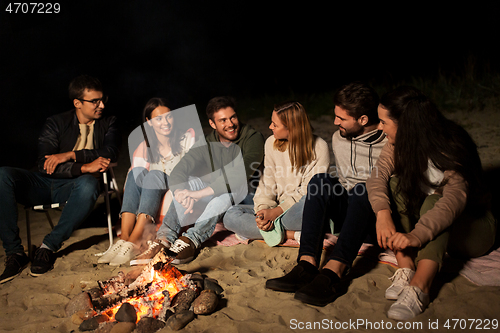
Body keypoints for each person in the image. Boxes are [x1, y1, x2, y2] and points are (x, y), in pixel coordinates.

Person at [367, 86, 497, 320]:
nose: (379, 127)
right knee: (393, 185)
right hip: (429, 226)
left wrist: (418, 235)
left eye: (383, 122)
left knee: (435, 201)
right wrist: (383, 213)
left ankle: (420, 287)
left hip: (473, 230)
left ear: (406, 125)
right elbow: (377, 176)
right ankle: (405, 266)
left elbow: (453, 201)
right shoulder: (398, 144)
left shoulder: (451, 145)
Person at [264, 82, 386, 306]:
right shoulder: (340, 139)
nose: (335, 122)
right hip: (348, 213)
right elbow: (342, 183)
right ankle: (307, 265)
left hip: (375, 218)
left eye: (341, 118)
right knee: (321, 181)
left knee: (363, 189)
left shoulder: (390, 140)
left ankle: (334, 271)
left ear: (363, 120)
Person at [0, 75, 120, 282]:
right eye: (94, 101)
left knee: (89, 183)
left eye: (102, 100)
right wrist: (84, 166)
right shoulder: (56, 123)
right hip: (44, 183)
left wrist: (72, 155)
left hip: (78, 185)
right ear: (77, 103)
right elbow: (44, 165)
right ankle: (15, 254)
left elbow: (110, 151)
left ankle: (48, 247)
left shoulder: (108, 122)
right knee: (3, 174)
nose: (101, 105)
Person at [153, 96, 265, 264]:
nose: (230, 124)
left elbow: (240, 173)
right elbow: (181, 169)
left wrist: (200, 194)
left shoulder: (253, 138)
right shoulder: (207, 142)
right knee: (188, 182)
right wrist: (181, 193)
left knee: (227, 191)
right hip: (214, 196)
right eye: (223, 120)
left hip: (244, 195)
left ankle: (191, 240)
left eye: (233, 117)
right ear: (212, 124)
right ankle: (164, 238)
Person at [97, 98, 195, 266]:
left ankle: (135, 240)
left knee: (153, 174)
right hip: (154, 188)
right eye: (159, 119)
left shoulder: (186, 139)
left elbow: (193, 171)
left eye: (168, 117)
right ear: (149, 122)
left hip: (177, 185)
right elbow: (135, 178)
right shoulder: (146, 147)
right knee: (136, 172)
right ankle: (125, 240)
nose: (165, 122)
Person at [223, 101, 330, 244]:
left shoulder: (319, 147)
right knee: (230, 216)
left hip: (298, 209)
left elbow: (308, 191)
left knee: (310, 207)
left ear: (291, 128)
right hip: (277, 208)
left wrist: (276, 212)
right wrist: (263, 211)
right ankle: (290, 234)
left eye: (275, 124)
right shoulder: (271, 143)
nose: (270, 127)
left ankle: (255, 231)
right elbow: (266, 183)